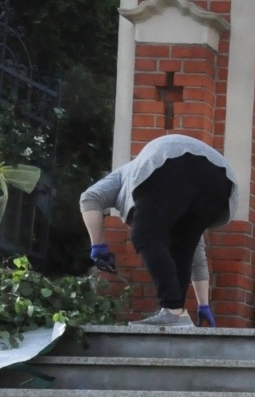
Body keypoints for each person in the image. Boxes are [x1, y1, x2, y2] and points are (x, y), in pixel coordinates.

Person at [80, 133, 238, 327]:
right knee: (183, 248)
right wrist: (203, 304)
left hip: (170, 157)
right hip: (220, 177)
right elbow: (196, 258)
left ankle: (173, 310)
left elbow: (90, 197)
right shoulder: (174, 207)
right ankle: (177, 313)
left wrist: (98, 245)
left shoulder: (124, 175)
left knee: (145, 236)